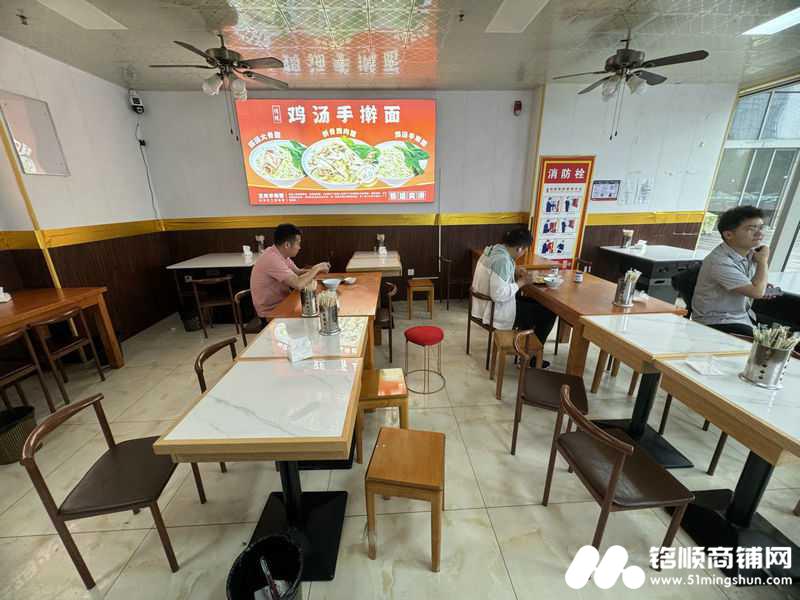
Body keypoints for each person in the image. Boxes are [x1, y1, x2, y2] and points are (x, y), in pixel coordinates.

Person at [471, 227, 557, 364]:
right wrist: (522, 282)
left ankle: (524, 344)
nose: (523, 253)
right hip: (494, 310)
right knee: (548, 313)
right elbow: (499, 294)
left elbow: (496, 277)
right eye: (524, 250)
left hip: (484, 306)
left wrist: (514, 271)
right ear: (520, 248)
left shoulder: (492, 250)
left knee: (537, 305)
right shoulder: (502, 261)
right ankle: (532, 357)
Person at [692, 206, 772, 336]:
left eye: (760, 228)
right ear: (728, 234)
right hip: (718, 322)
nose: (759, 234)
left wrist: (763, 286)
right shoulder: (719, 261)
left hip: (742, 316)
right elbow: (756, 292)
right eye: (751, 229)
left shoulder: (751, 254)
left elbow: (757, 287)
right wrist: (763, 262)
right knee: (769, 344)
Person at [250, 223, 330, 318]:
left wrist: (317, 270)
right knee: (320, 312)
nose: (299, 247)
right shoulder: (272, 259)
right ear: (287, 245)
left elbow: (298, 273)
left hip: (284, 303)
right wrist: (317, 268)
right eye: (298, 243)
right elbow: (298, 284)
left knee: (317, 307)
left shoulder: (279, 253)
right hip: (271, 312)